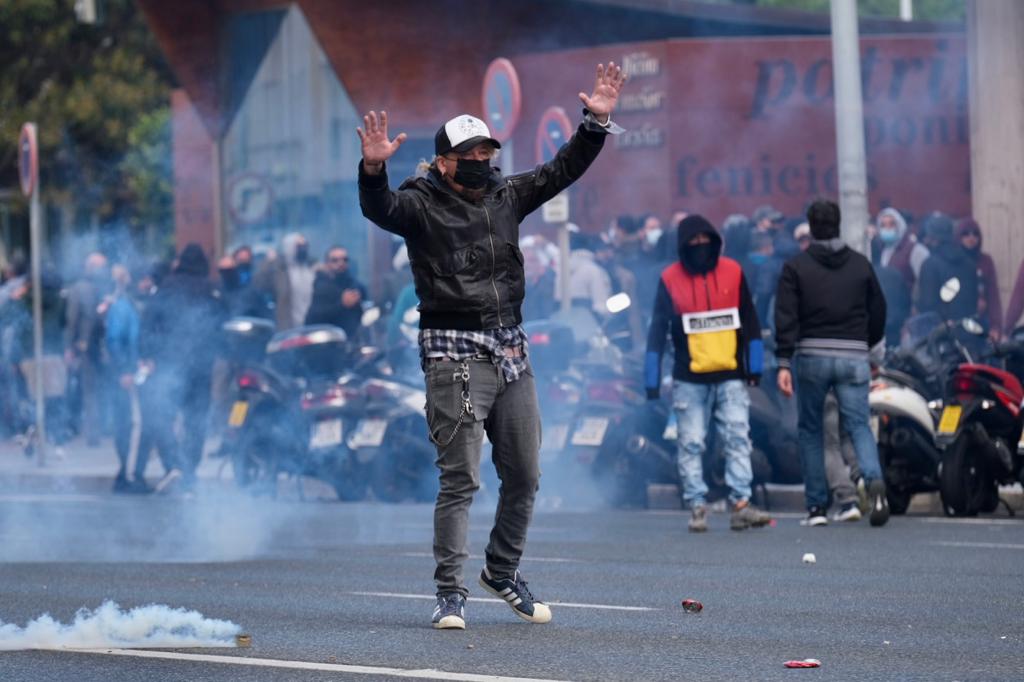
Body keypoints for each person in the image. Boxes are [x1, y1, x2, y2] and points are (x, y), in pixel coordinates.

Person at [356, 62, 626, 630]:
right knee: (461, 478)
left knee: (525, 473)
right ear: (444, 161)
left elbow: (561, 170)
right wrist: (373, 168)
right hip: (453, 352)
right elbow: (380, 209)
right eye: (469, 155)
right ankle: (449, 593)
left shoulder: (506, 194)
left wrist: (595, 122)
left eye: (487, 152)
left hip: (511, 349)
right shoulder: (419, 203)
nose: (481, 162)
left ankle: (501, 572)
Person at [644, 214, 771, 533]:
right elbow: (657, 330)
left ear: (716, 242)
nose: (700, 247)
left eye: (705, 241)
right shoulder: (670, 278)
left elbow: (751, 322)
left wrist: (754, 367)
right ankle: (697, 506)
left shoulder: (733, 272)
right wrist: (651, 378)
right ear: (682, 247)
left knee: (738, 438)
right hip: (688, 378)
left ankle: (741, 503)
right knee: (690, 443)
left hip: (730, 374)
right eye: (693, 243)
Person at [774, 199, 890, 527]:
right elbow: (878, 310)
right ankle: (872, 477)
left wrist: (784, 361)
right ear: (838, 224)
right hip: (854, 356)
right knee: (858, 426)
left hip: (812, 356)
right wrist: (868, 347)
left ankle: (816, 508)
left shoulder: (796, 267)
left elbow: (786, 315)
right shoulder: (860, 265)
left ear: (811, 228)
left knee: (812, 430)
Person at [138, 244, 227, 493]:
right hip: (201, 366)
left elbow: (148, 322)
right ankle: (188, 471)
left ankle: (173, 462)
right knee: (196, 420)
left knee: (161, 413)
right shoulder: (211, 289)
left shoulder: (167, 287)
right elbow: (221, 324)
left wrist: (147, 355)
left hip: (170, 363)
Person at [103, 264, 148, 493]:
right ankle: (128, 476)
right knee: (132, 424)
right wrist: (125, 370)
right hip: (125, 373)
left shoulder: (125, 305)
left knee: (127, 424)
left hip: (127, 370)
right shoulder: (122, 307)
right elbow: (115, 340)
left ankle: (126, 474)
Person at [64, 252, 110, 446]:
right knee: (97, 391)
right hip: (99, 347)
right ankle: (99, 430)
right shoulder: (107, 288)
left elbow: (71, 320)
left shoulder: (79, 289)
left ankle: (95, 433)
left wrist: (69, 346)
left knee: (91, 392)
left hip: (92, 347)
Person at [916, 212, 980, 325]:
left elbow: (927, 304)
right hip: (967, 328)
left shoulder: (930, 264)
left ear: (932, 238)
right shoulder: (969, 263)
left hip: (941, 332)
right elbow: (973, 301)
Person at [305, 246, 367, 340]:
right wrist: (342, 304)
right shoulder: (321, 287)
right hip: (330, 343)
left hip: (352, 341)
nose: (341, 263)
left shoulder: (355, 285)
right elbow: (313, 320)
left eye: (344, 260)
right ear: (327, 264)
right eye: (335, 260)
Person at [256, 233, 316, 330]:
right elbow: (259, 284)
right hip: (288, 327)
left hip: (311, 326)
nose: (303, 249)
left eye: (305, 246)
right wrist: (268, 262)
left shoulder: (312, 269)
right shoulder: (280, 272)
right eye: (299, 246)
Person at [956, 218, 1002, 340]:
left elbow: (993, 296)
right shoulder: (954, 261)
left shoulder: (985, 261)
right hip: (959, 322)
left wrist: (996, 326)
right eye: (966, 233)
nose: (971, 238)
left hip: (982, 321)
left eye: (975, 233)